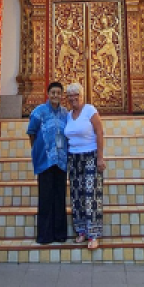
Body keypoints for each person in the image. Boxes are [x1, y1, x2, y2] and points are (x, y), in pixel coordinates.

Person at [64, 83, 106, 249]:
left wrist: (100, 158)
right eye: (70, 96)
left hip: (90, 156)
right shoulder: (68, 115)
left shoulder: (90, 110)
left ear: (82, 96)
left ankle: (93, 234)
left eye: (77, 95)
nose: (74, 98)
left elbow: (99, 132)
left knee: (91, 195)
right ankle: (81, 231)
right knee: (77, 196)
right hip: (73, 158)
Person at [27, 81, 69, 245]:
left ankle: (60, 234)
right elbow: (31, 133)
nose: (56, 95)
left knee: (59, 197)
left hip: (61, 160)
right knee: (45, 197)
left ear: (61, 95)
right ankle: (44, 235)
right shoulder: (39, 112)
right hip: (45, 160)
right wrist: (39, 150)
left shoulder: (65, 113)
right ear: (48, 94)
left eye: (58, 93)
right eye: (53, 92)